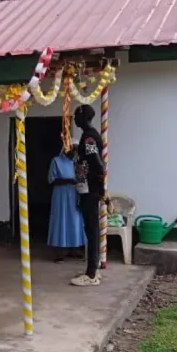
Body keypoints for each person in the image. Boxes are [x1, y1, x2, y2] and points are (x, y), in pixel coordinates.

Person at [71, 104, 106, 287]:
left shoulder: (89, 137)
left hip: (89, 190)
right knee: (91, 229)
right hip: (87, 189)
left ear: (83, 118)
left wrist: (99, 189)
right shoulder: (88, 136)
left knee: (91, 230)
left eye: (77, 117)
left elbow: (97, 164)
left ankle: (91, 274)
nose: (75, 120)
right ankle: (93, 269)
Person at [48, 142, 85, 262]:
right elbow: (51, 180)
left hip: (74, 194)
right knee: (61, 220)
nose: (74, 153)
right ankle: (60, 251)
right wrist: (68, 181)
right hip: (61, 195)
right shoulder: (56, 161)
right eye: (73, 150)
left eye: (76, 151)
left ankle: (74, 248)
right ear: (66, 149)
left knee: (74, 220)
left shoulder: (76, 162)